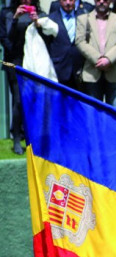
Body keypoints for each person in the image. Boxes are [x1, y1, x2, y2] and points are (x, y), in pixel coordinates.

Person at [1, 0, 45, 154]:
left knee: (34, 99)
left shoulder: (39, 13)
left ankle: (31, 137)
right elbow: (6, 38)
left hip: (35, 61)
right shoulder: (7, 13)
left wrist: (37, 22)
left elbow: (47, 37)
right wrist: (15, 18)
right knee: (19, 100)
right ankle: (16, 138)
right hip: (15, 61)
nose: (26, 1)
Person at [76, 0, 116, 106]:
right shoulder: (83, 19)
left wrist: (108, 59)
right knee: (93, 111)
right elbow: (80, 41)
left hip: (114, 71)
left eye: (105, 0)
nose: (101, 2)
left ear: (110, 1)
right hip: (92, 70)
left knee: (114, 113)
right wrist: (98, 59)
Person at [42, 0, 87, 91]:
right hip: (59, 68)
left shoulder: (83, 17)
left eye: (71, 0)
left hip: (79, 69)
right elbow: (46, 44)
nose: (68, 3)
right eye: (64, 0)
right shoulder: (51, 19)